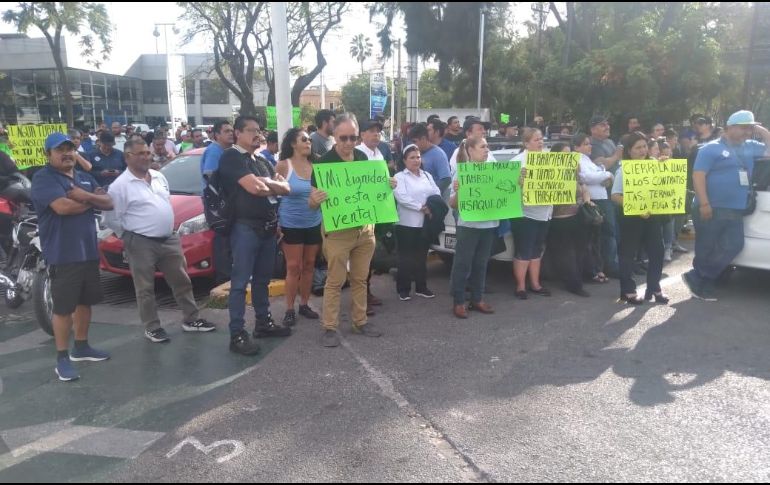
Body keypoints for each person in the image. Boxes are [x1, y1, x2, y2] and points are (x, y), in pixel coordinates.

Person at [104, 139, 216, 343]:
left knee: (181, 281)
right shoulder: (119, 186)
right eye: (141, 154)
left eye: (147, 153)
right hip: (141, 242)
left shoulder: (158, 176)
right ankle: (152, 327)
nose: (147, 156)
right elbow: (112, 218)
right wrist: (127, 237)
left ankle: (191, 319)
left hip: (169, 238)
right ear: (128, 157)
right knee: (145, 288)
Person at [31, 133, 114, 382]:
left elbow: (109, 202)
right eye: (60, 150)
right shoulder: (44, 178)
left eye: (70, 149)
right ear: (49, 155)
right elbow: (62, 208)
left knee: (84, 302)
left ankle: (81, 346)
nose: (67, 154)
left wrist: (85, 196)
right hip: (63, 253)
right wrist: (92, 201)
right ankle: (62, 358)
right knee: (64, 308)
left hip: (87, 251)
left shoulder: (83, 178)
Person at [309, 113, 397, 347]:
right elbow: (311, 203)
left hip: (364, 230)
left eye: (353, 137)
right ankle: (330, 327)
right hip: (338, 232)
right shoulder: (323, 163)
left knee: (360, 278)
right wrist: (315, 200)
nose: (349, 143)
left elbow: (370, 191)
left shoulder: (361, 157)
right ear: (334, 136)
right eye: (343, 138)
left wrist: (387, 185)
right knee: (335, 281)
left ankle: (360, 321)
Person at [218, 116, 292, 355]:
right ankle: (237, 333)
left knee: (262, 281)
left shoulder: (261, 160)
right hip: (245, 228)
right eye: (251, 130)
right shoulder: (231, 156)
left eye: (259, 131)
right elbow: (255, 188)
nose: (257, 135)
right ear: (238, 133)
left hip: (268, 228)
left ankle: (263, 322)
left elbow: (286, 188)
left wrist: (266, 182)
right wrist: (271, 184)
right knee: (240, 284)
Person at [683, 110, 770, 301]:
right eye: (744, 128)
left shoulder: (751, 146)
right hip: (710, 207)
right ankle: (703, 286)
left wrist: (760, 130)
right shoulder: (710, 149)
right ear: (730, 127)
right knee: (706, 248)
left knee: (734, 244)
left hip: (735, 208)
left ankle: (698, 277)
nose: (747, 132)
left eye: (750, 128)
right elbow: (698, 176)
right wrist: (704, 203)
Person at [611, 131, 668, 305]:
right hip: (631, 218)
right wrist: (636, 207)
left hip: (652, 216)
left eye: (644, 146)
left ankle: (654, 288)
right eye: (638, 147)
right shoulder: (624, 169)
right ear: (629, 151)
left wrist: (667, 168)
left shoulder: (654, 164)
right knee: (628, 254)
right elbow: (615, 196)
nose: (642, 150)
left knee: (658, 252)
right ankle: (628, 291)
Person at [275, 128, 322, 327]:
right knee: (294, 267)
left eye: (309, 140)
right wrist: (276, 224)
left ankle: (304, 304)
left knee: (310, 264)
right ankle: (289, 309)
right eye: (304, 139)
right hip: (290, 224)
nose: (308, 142)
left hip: (313, 222)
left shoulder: (317, 166)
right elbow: (273, 196)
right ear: (293, 143)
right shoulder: (283, 166)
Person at [448, 137, 497, 318]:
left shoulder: (494, 171)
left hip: (489, 224)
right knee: (463, 263)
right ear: (470, 150)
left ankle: (477, 298)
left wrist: (518, 183)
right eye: (482, 147)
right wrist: (460, 190)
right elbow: (452, 204)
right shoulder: (462, 173)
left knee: (481, 264)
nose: (486, 150)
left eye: (487, 147)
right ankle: (459, 301)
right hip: (468, 225)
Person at [546, 142, 595, 296]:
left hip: (578, 217)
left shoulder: (574, 171)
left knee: (579, 251)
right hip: (559, 219)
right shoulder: (548, 173)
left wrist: (587, 199)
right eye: (565, 154)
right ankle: (574, 284)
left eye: (570, 154)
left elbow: (583, 187)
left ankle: (577, 278)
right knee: (566, 253)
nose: (569, 157)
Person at [393, 144, 441, 301]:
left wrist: (430, 207)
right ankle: (403, 289)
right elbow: (402, 197)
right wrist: (421, 207)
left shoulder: (427, 175)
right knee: (405, 258)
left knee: (421, 258)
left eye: (418, 157)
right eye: (412, 157)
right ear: (405, 160)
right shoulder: (400, 176)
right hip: (406, 224)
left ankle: (421, 287)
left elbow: (436, 192)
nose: (416, 160)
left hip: (424, 224)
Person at [511, 127, 552, 299]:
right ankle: (520, 287)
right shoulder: (517, 161)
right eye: (536, 139)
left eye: (541, 138)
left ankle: (535, 284)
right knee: (524, 250)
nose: (540, 142)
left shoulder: (550, 159)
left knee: (537, 250)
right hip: (525, 214)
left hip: (545, 213)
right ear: (526, 143)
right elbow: (508, 189)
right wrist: (519, 180)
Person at [576, 132, 617, 279]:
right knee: (595, 238)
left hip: (601, 198)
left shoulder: (588, 160)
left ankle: (606, 265)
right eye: (585, 144)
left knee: (605, 234)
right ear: (576, 147)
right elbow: (585, 177)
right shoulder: (577, 160)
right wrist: (607, 176)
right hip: (593, 201)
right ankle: (598, 268)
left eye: (589, 143)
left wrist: (606, 176)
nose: (589, 146)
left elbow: (599, 174)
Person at [201, 120, 235, 284]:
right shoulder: (215, 151)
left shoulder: (227, 151)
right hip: (217, 204)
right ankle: (223, 279)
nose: (231, 133)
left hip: (225, 203)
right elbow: (210, 177)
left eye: (232, 130)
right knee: (222, 239)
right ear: (217, 135)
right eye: (226, 131)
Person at [408, 123, 451, 194]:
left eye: (414, 141)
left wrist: (430, 193)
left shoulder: (438, 154)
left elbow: (446, 180)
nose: (412, 144)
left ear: (423, 139)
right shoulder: (414, 152)